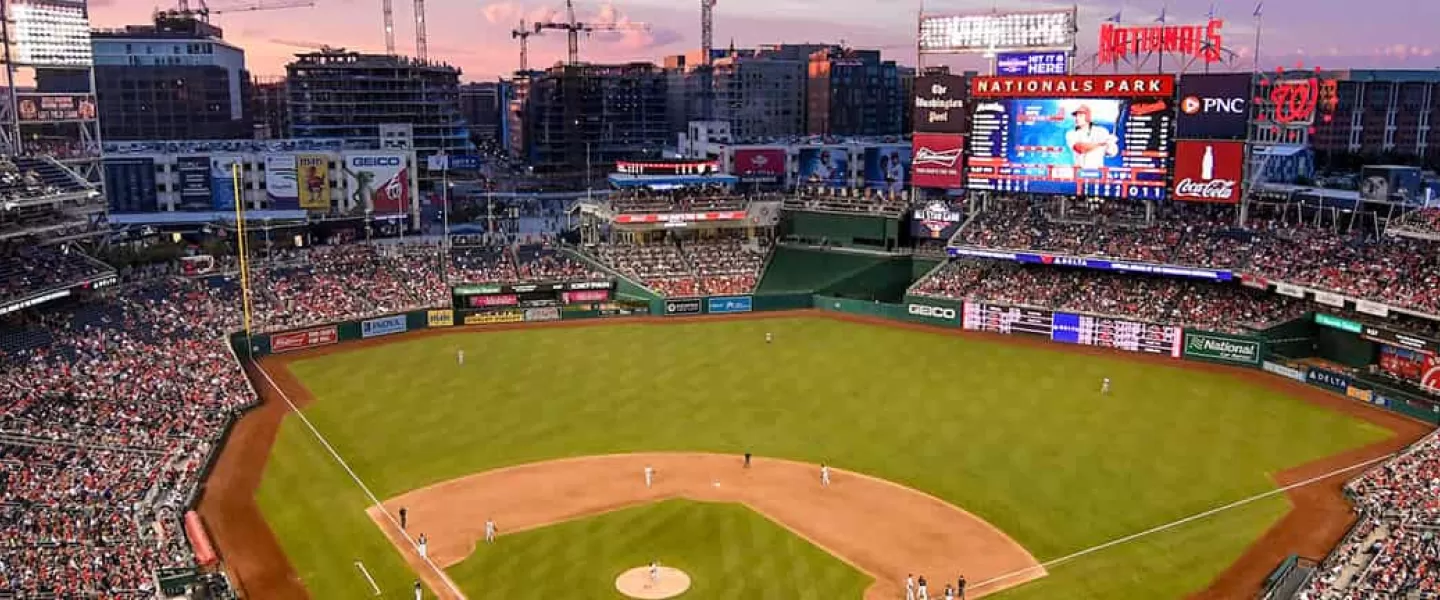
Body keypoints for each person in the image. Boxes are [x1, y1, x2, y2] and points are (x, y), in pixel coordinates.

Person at [1064, 105, 1119, 170]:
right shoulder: (1071, 133)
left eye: (1080, 116)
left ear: (1088, 117)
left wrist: (1111, 143)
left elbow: (1111, 153)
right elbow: (1080, 148)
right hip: (1079, 173)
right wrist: (1101, 144)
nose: (1077, 118)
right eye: (1076, 116)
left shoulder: (1101, 131)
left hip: (1098, 173)